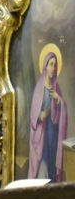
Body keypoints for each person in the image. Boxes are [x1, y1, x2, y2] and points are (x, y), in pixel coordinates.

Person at [29, 44, 68, 182]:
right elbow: (33, 118)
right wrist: (42, 116)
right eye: (51, 64)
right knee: (42, 173)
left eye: (55, 65)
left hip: (53, 138)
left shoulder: (57, 89)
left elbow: (63, 112)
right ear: (45, 66)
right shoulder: (39, 89)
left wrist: (59, 100)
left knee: (52, 172)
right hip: (42, 140)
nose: (53, 68)